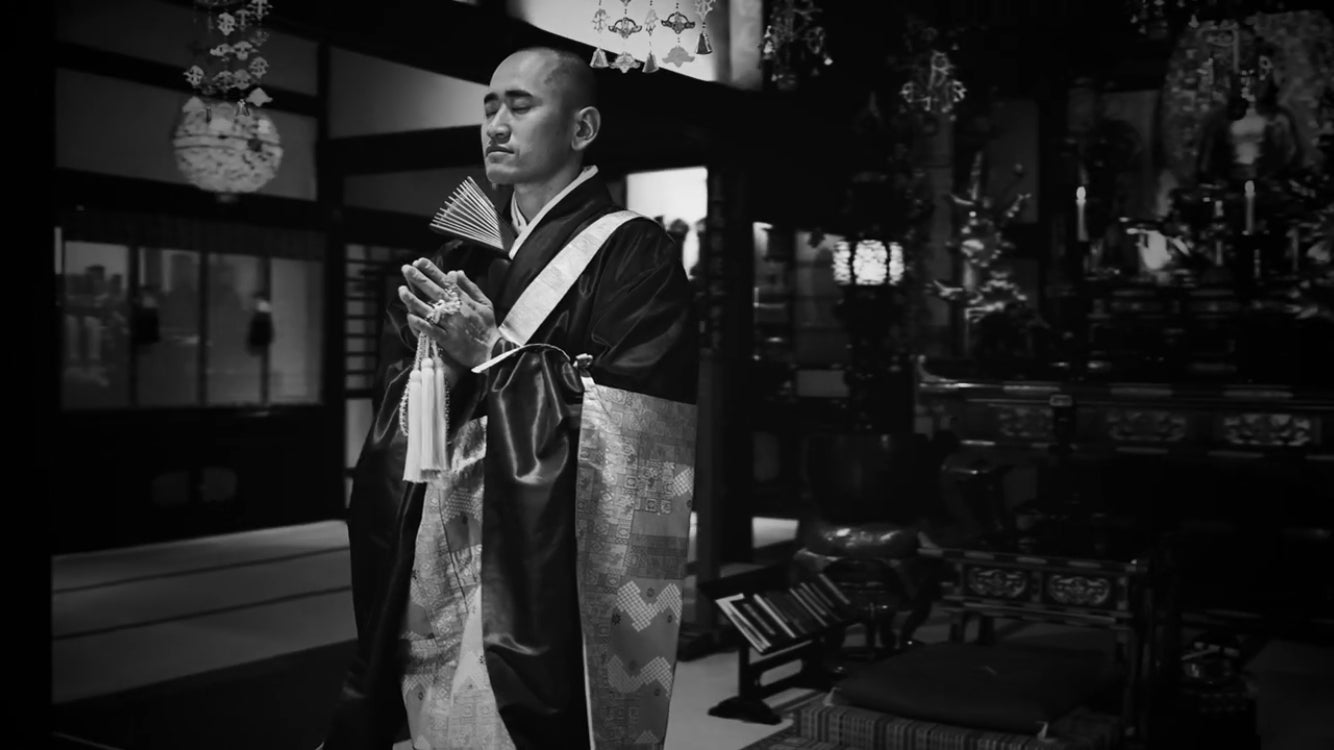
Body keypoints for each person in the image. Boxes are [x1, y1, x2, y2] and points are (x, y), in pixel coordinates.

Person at [321, 45, 699, 750]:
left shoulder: (635, 254)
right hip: (444, 528)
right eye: (489, 106)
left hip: (545, 548)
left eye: (520, 106)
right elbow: (403, 408)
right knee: (435, 711)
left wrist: (492, 356)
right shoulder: (459, 255)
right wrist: (433, 366)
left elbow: (637, 425)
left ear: (582, 128)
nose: (496, 124)